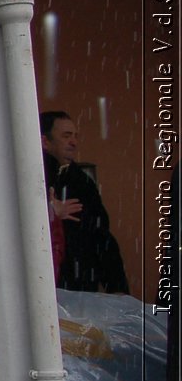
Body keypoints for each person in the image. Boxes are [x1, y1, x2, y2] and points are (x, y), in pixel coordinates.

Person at [40, 111, 129, 294]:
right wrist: (48, 214)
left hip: (79, 286)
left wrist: (116, 287)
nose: (74, 142)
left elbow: (100, 235)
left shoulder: (82, 182)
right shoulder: (31, 177)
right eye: (66, 136)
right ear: (45, 141)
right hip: (45, 285)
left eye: (75, 136)